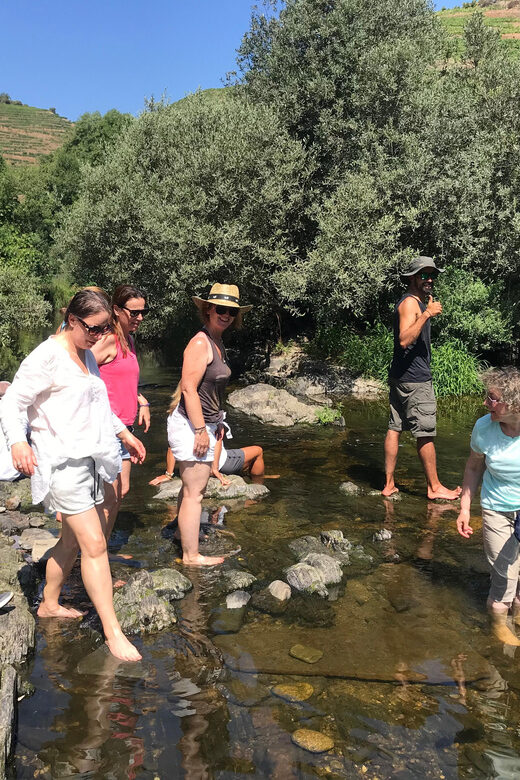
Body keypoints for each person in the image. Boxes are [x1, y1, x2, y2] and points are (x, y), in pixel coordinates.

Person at [0, 289, 146, 661]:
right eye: (94, 330)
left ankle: (48, 603)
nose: (99, 337)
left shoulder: (85, 355)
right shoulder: (46, 357)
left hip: (91, 460)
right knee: (95, 545)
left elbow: (98, 405)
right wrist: (19, 443)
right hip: (62, 465)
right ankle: (114, 633)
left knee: (70, 539)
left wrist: (125, 434)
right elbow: (11, 403)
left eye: (103, 330)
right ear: (72, 320)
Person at [166, 282, 251, 566]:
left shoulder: (217, 341)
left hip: (205, 423)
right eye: (220, 309)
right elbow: (189, 388)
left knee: (189, 487)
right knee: (195, 492)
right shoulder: (201, 343)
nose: (225, 315)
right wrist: (201, 430)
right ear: (207, 309)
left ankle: (182, 534)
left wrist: (216, 423)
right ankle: (191, 556)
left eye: (231, 311)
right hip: (193, 424)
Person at [382, 256, 461, 500]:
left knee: (395, 427)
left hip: (400, 376)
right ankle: (434, 487)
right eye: (424, 274)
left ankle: (389, 485)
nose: (429, 279)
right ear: (412, 278)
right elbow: (405, 340)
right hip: (415, 379)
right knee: (425, 432)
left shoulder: (416, 301)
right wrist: (426, 314)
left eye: (432, 275)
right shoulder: (410, 304)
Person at [457, 367, 520, 646]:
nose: (486, 403)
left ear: (515, 403)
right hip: (497, 508)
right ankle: (499, 628)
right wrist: (465, 508)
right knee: (504, 576)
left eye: (493, 399)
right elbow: (473, 468)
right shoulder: (484, 427)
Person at [91, 285, 150, 545]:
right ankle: (93, 557)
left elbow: (121, 379)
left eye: (143, 311)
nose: (139, 317)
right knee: (107, 501)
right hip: (108, 431)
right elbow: (79, 375)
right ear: (116, 310)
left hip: (126, 429)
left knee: (120, 492)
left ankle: (98, 553)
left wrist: (140, 399)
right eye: (133, 312)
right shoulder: (108, 340)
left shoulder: (130, 339)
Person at [149, 439, 277, 486]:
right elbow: (218, 441)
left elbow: (172, 447)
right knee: (258, 450)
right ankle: (258, 482)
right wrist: (214, 469)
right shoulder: (210, 411)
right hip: (221, 464)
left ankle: (248, 474)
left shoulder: (177, 417)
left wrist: (168, 474)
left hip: (191, 469)